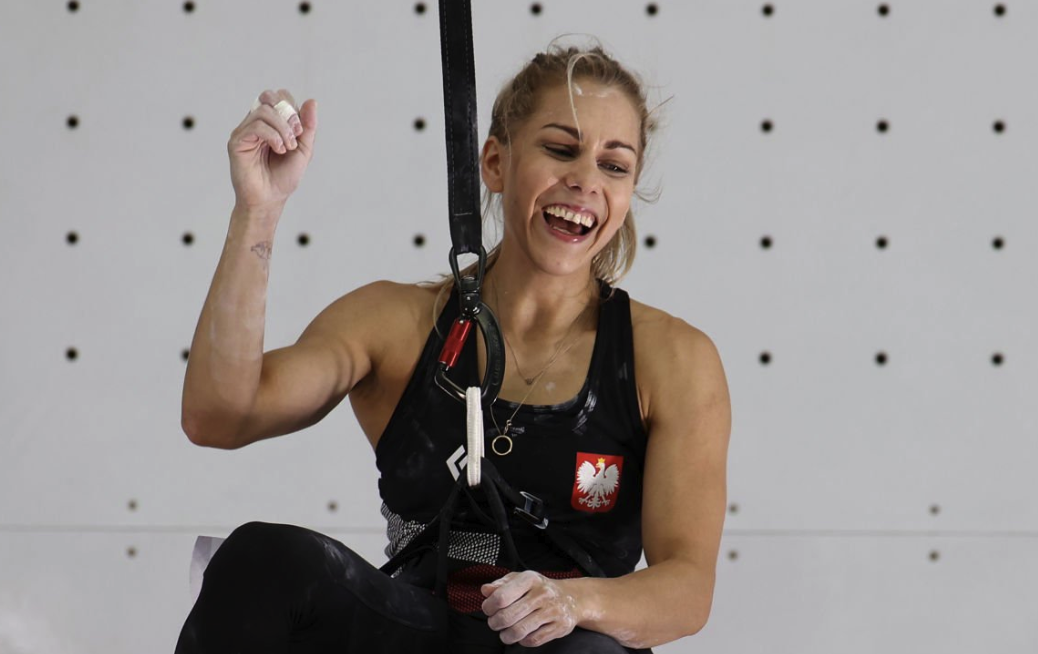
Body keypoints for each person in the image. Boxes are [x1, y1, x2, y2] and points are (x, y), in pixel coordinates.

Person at [175, 43, 731, 654]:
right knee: (264, 558)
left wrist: (575, 602)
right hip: (420, 625)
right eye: (561, 148)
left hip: (571, 644)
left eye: (615, 165)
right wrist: (258, 211)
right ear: (495, 162)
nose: (586, 180)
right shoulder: (394, 324)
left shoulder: (672, 360)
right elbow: (220, 415)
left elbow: (686, 590)